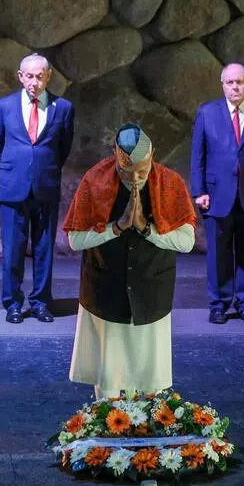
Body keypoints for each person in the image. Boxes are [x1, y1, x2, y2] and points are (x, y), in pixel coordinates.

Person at [62, 124, 197, 399]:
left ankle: (148, 434)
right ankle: (106, 432)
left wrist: (147, 229)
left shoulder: (171, 184)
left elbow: (187, 242)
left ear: (153, 156)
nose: (134, 179)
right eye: (126, 171)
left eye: (142, 171)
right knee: (109, 376)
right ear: (115, 155)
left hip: (152, 290)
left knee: (150, 377)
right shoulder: (94, 181)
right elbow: (75, 241)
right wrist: (117, 227)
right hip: (105, 291)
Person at [190, 62, 244, 325]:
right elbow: (198, 155)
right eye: (230, 82)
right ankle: (218, 304)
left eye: (240, 81)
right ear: (223, 85)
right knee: (218, 254)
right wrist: (199, 191)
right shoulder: (207, 112)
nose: (235, 86)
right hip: (216, 196)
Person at [0, 53, 75, 324]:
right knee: (13, 249)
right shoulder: (4, 107)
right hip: (13, 188)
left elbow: (63, 149)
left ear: (48, 76)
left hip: (46, 186)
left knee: (44, 248)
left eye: (40, 76)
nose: (34, 82)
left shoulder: (63, 108)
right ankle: (13, 303)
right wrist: (18, 169)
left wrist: (42, 168)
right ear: (20, 76)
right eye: (29, 76)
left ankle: (40, 302)